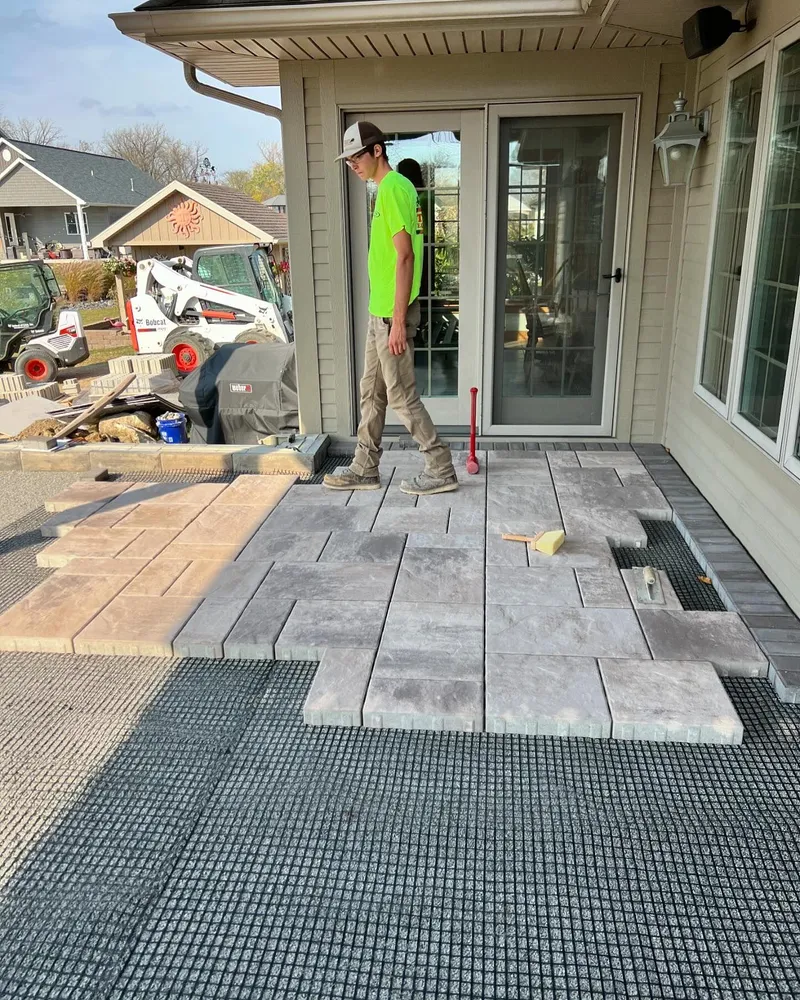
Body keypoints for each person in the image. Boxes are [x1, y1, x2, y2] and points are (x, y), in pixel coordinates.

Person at [323, 122, 458, 496]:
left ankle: (440, 466)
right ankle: (365, 467)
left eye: (357, 156)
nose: (352, 164)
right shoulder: (386, 190)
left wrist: (397, 321)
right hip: (378, 312)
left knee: (400, 394)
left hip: (390, 317)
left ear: (377, 150)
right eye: (348, 160)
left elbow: (405, 256)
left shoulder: (394, 189)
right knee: (372, 392)